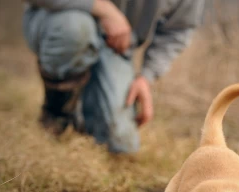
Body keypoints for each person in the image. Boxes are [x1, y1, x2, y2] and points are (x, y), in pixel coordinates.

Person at [23, 0, 205, 153]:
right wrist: (105, 10)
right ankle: (57, 113)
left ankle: (84, 112)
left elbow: (179, 29)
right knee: (75, 29)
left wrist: (146, 77)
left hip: (116, 46)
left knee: (122, 145)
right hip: (60, 17)